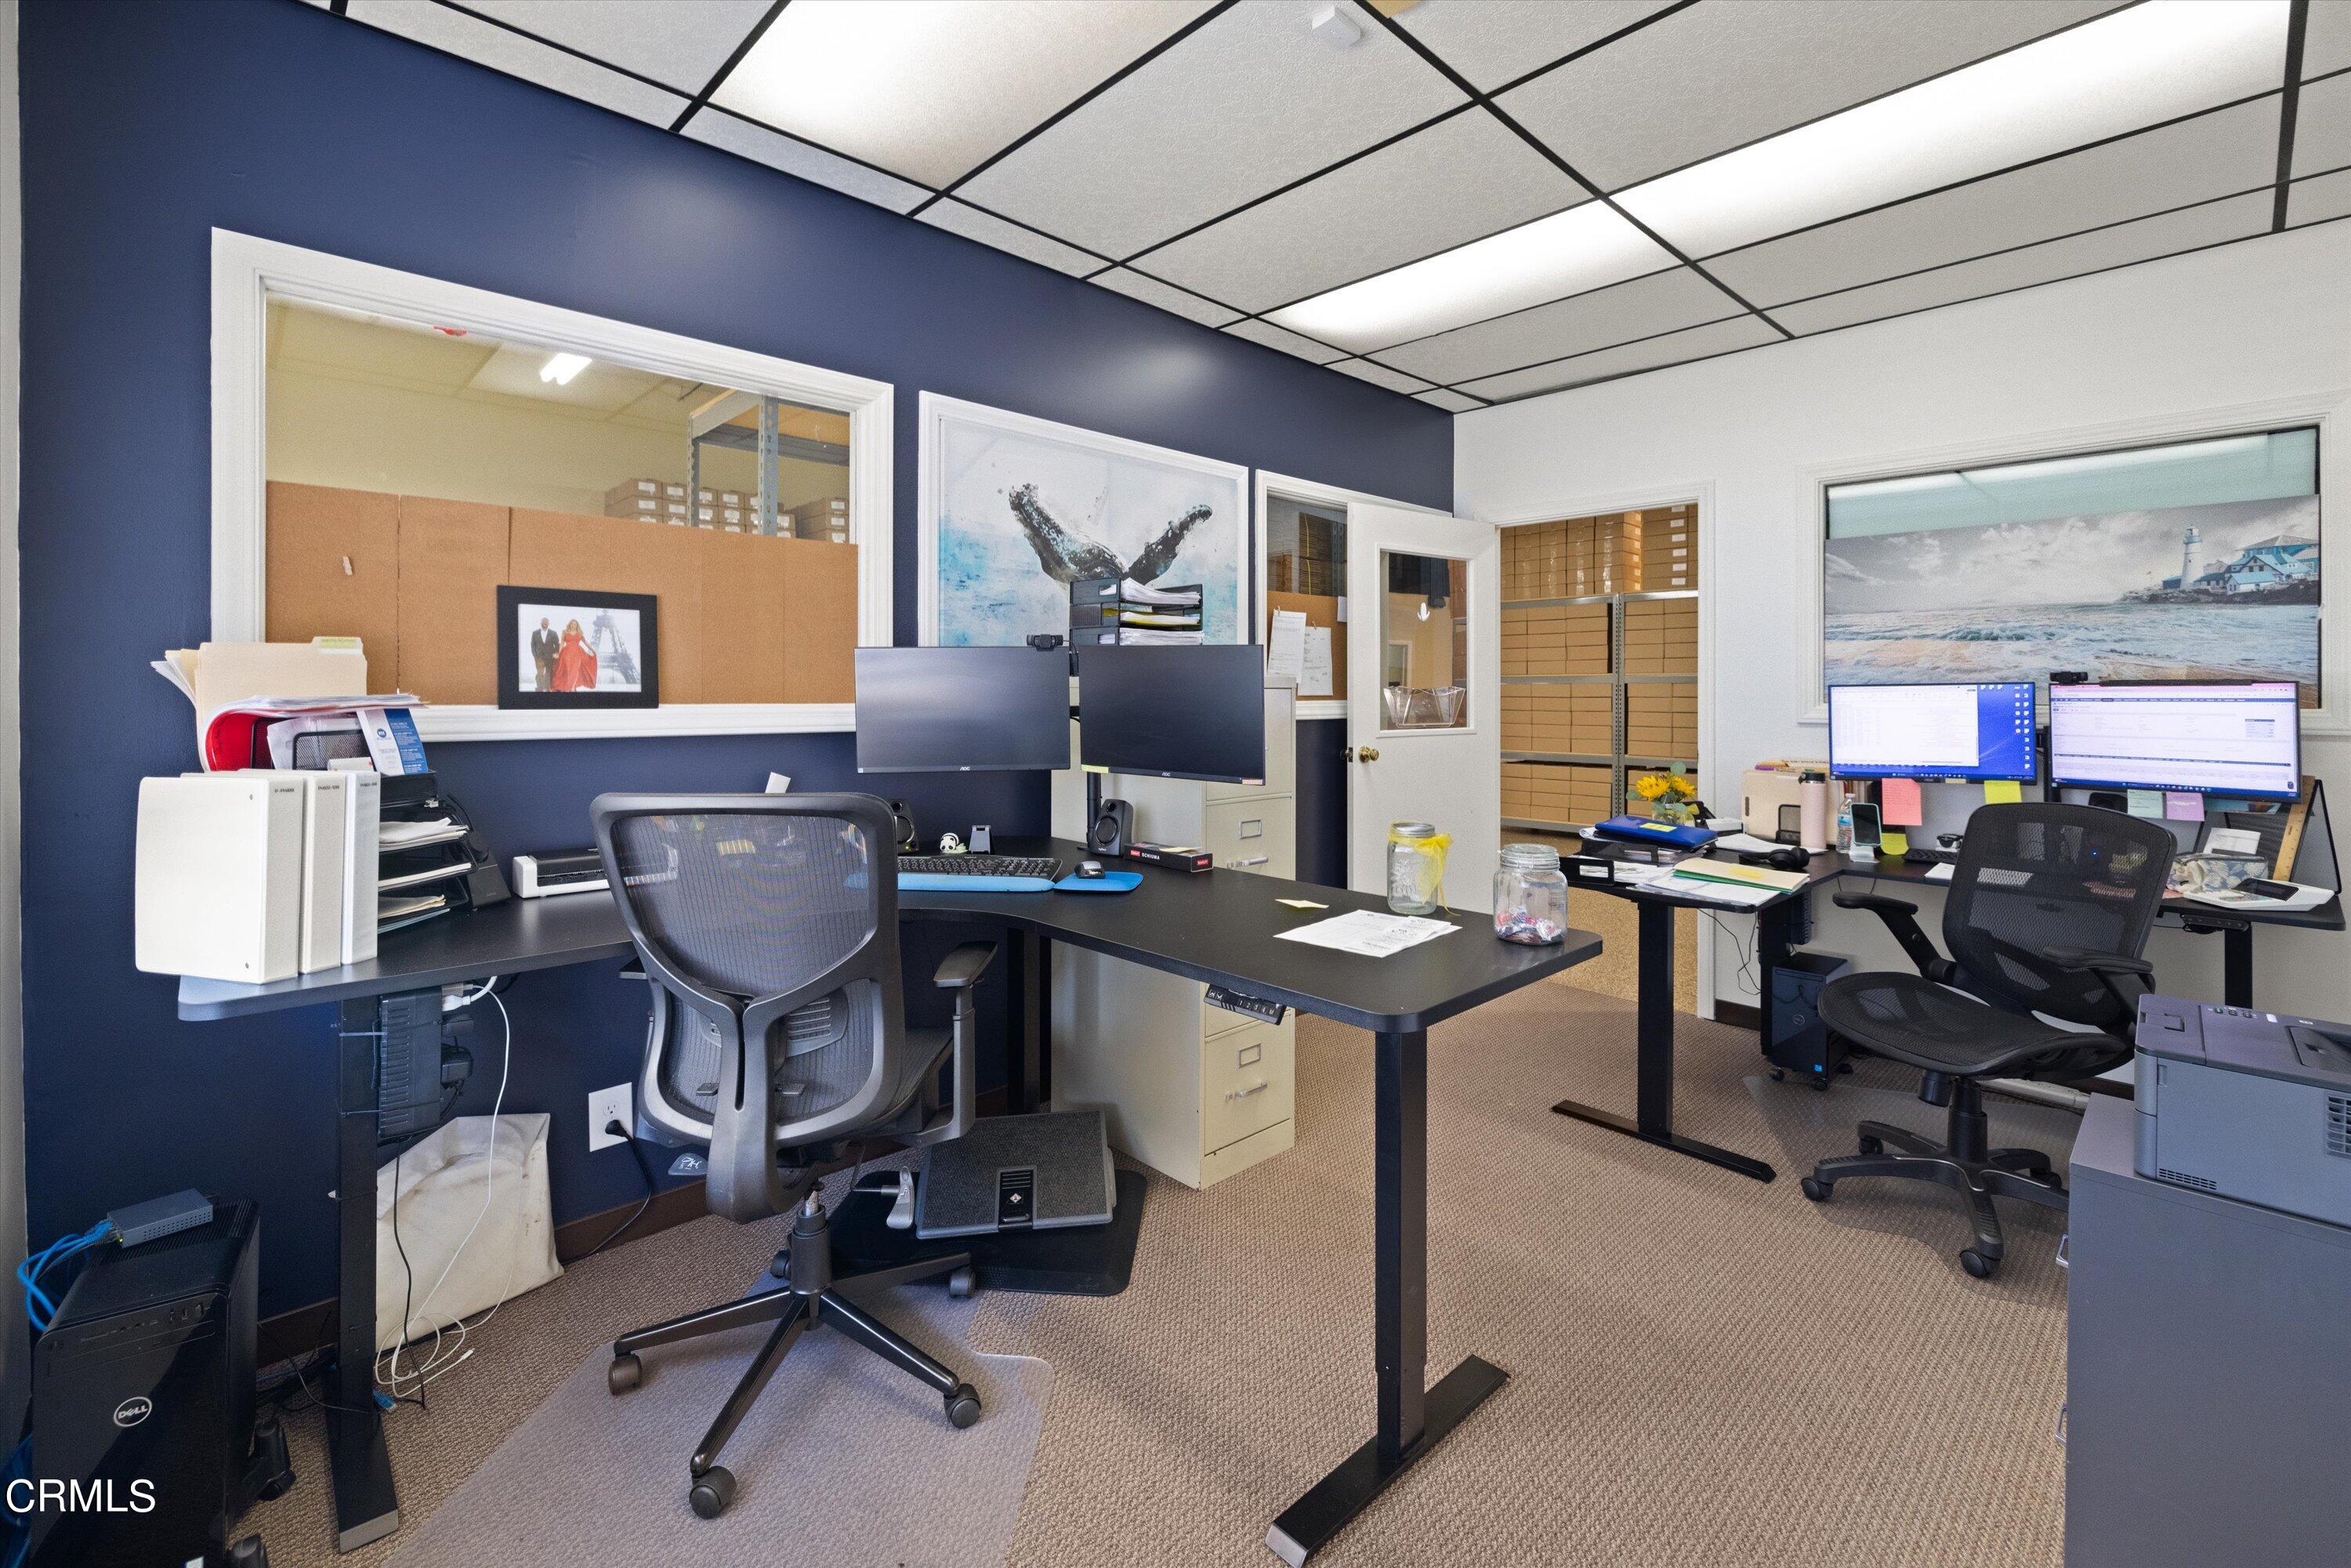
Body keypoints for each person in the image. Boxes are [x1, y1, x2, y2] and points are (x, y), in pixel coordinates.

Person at [552, 617, 598, 693]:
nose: (573, 625)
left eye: (575, 624)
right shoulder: (565, 632)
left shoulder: (580, 633)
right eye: (572, 623)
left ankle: (572, 688)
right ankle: (568, 687)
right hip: (567, 653)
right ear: (570, 624)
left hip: (578, 654)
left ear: (577, 625)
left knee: (575, 670)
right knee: (568, 671)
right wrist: (559, 653)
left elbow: (585, 642)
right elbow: (562, 643)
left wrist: (592, 650)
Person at [529, 616, 560, 693]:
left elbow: (557, 644)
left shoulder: (553, 633)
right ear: (541, 623)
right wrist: (534, 654)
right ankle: (540, 689)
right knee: (540, 673)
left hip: (550, 656)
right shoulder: (535, 633)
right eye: (543, 621)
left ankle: (547, 688)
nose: (545, 623)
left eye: (546, 622)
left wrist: (556, 653)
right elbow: (533, 644)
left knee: (548, 672)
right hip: (539, 657)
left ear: (548, 623)